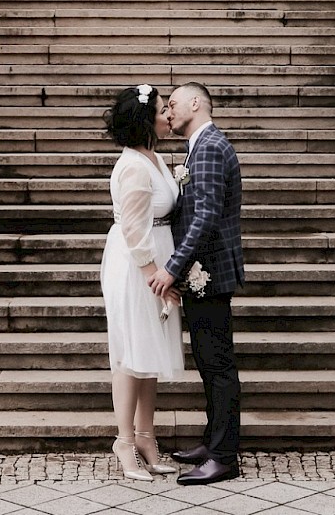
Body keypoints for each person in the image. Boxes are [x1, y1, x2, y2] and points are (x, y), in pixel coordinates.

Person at [149, 81, 244, 486]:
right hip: (204, 273)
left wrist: (171, 268)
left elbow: (204, 216)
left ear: (194, 104)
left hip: (210, 273)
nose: (168, 113)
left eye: (172, 105)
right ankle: (213, 441)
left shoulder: (207, 148)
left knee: (217, 364)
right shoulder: (202, 145)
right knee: (209, 361)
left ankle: (223, 457)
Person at [100, 83, 184, 480]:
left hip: (157, 259)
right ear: (145, 120)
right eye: (162, 111)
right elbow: (133, 229)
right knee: (131, 354)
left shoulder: (152, 158)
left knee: (148, 353)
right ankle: (124, 441)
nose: (169, 116)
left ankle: (147, 436)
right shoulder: (133, 165)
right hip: (138, 268)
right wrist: (156, 277)